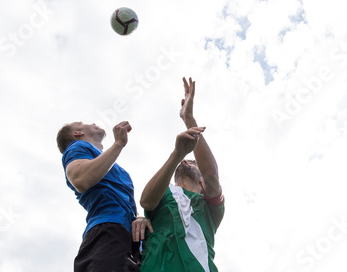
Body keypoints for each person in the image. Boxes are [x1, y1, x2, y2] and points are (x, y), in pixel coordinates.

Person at [140, 78, 225, 272]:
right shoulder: (165, 192)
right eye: (184, 160)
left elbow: (211, 174)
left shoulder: (210, 206)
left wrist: (189, 119)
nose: (187, 161)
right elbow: (146, 202)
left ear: (201, 179)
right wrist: (177, 154)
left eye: (194, 163)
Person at [57, 120, 153, 272]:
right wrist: (119, 143)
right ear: (77, 133)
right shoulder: (77, 147)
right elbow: (80, 179)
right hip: (107, 229)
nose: (93, 122)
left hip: (129, 238)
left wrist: (138, 217)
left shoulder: (109, 164)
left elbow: (123, 200)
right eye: (83, 123)